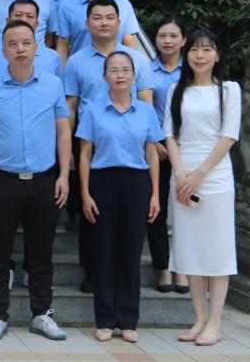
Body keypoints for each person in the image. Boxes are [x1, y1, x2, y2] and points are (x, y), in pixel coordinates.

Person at [0, 20, 71, 342]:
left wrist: (64, 175)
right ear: (3, 50)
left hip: (44, 180)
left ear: (36, 48)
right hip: (1, 180)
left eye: (26, 43)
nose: (20, 49)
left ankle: (41, 314)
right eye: (13, 44)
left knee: (41, 253)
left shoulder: (52, 85)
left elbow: (63, 132)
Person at [64, 0, 153, 292]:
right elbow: (71, 106)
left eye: (109, 17)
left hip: (130, 145)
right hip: (91, 142)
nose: (104, 23)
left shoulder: (137, 59)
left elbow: (146, 102)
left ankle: (121, 276)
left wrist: (150, 143)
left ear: (119, 22)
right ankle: (92, 272)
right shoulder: (76, 61)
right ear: (87, 24)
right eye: (97, 17)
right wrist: (69, 151)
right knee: (91, 213)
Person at [77, 51, 162, 343]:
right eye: (113, 70)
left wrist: (155, 194)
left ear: (134, 76)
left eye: (126, 69)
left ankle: (127, 320)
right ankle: (104, 319)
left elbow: (152, 153)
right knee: (104, 251)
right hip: (102, 181)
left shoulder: (146, 112)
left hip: (137, 183)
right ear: (105, 77)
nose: (120, 75)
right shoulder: (93, 110)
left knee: (130, 252)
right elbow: (85, 154)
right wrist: (85, 193)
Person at [163, 29, 240, 347]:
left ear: (217, 55)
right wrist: (181, 174)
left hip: (215, 177)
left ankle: (215, 323)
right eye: (194, 49)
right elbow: (169, 135)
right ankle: (199, 318)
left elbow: (229, 136)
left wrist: (199, 174)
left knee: (217, 251)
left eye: (207, 49)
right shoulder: (175, 90)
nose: (199, 55)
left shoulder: (229, 90)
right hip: (182, 178)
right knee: (191, 249)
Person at [147, 18, 188, 294]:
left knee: (186, 210)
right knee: (157, 209)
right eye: (162, 35)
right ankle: (162, 268)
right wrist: (155, 140)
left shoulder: (193, 70)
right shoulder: (147, 70)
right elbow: (144, 107)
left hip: (189, 146)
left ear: (184, 40)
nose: (167, 41)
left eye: (174, 36)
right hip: (158, 148)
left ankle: (182, 268)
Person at [0, 0, 62, 82]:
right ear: (8, 21)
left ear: (37, 24)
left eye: (30, 16)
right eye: (18, 15)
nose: (24, 20)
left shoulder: (53, 57)